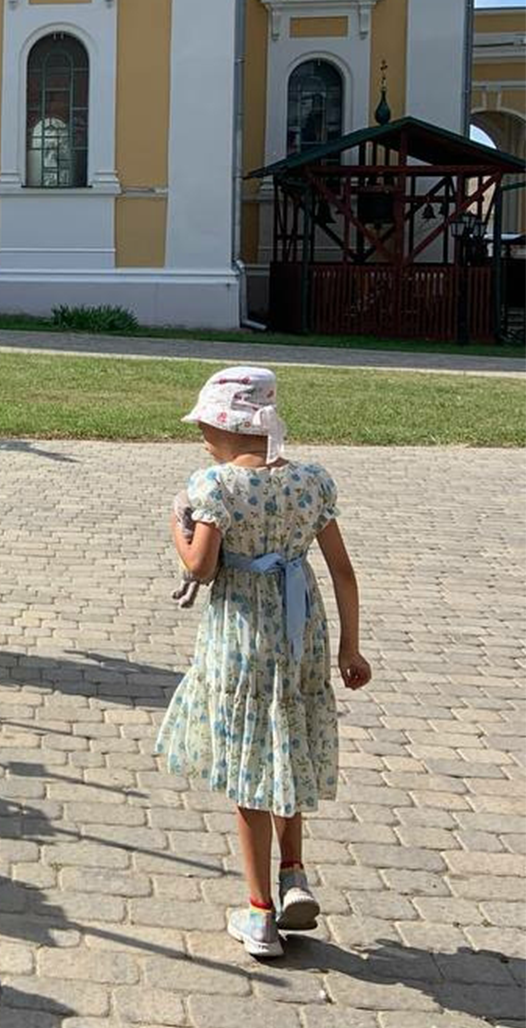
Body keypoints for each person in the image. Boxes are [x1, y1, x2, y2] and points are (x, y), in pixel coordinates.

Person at [156, 366, 371, 959]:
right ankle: (294, 873)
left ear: (226, 428)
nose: (201, 437)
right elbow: (343, 570)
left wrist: (178, 526)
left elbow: (200, 567)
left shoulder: (215, 487)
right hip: (302, 631)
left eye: (205, 426)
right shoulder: (309, 483)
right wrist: (350, 647)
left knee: (250, 766)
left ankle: (258, 914)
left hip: (243, 636)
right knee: (288, 747)